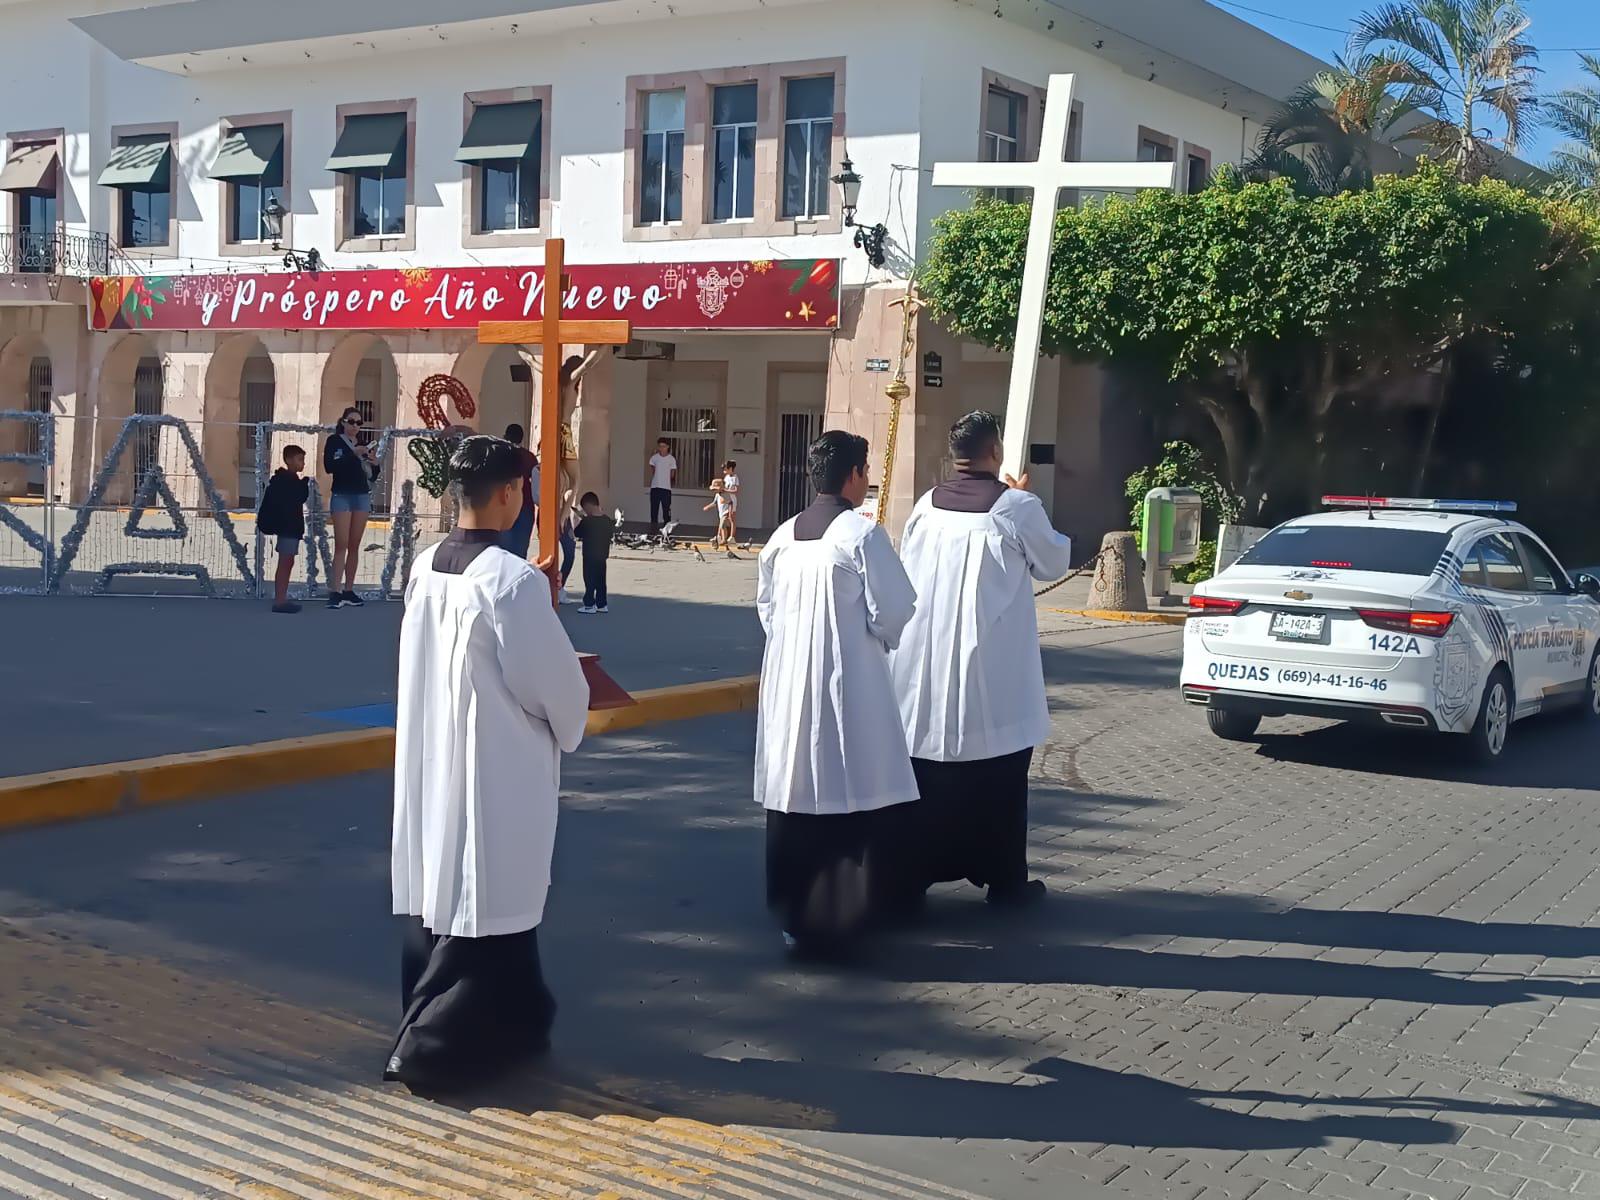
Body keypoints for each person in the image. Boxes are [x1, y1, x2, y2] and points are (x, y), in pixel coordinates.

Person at [387, 435, 589, 1094]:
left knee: (457, 891)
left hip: (434, 753)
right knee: (487, 893)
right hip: (495, 766)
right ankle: (429, 1046)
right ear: (509, 493)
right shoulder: (510, 581)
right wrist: (571, 713)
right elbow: (553, 687)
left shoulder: (426, 566)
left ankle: (519, 1024)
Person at [890, 411, 1073, 909]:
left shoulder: (927, 504)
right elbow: (1053, 562)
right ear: (995, 452)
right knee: (998, 778)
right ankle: (1005, 882)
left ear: (955, 457)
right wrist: (1019, 497)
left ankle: (909, 879)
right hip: (989, 670)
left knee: (925, 775)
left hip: (924, 666)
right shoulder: (1016, 507)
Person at [755, 430, 919, 957]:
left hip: (789, 685)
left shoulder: (781, 537)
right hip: (846, 684)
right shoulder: (862, 535)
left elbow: (767, 611)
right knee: (845, 788)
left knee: (797, 788)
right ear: (854, 475)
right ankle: (843, 919)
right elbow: (894, 611)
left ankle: (795, 918)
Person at [323, 407, 381, 609]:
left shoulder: (363, 443)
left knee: (354, 545)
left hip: (361, 495)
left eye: (359, 423)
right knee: (341, 544)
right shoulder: (334, 441)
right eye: (352, 421)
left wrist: (375, 463)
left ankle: (348, 590)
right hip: (342, 495)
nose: (355, 426)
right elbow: (329, 467)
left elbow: (372, 475)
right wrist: (352, 454)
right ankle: (335, 591)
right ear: (343, 422)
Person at [256, 445, 310, 614]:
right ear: (289, 460)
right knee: (285, 563)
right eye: (299, 459)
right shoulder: (287, 481)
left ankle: (282, 598)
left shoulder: (284, 479)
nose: (303, 463)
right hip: (288, 527)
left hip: (288, 527)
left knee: (287, 562)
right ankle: (280, 601)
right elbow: (298, 498)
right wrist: (304, 484)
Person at [500, 422, 539, 560]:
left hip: (504, 506)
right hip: (526, 507)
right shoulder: (530, 457)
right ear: (521, 438)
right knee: (520, 553)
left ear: (505, 436)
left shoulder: (500, 456)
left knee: (503, 551)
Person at [573, 492, 615, 614]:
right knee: (601, 581)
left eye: (585, 509)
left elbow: (577, 532)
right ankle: (602, 604)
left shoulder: (587, 521)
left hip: (589, 556)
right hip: (602, 556)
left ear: (588, 506)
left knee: (589, 580)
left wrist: (579, 520)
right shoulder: (607, 520)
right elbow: (610, 534)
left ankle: (589, 604)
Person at [646, 439, 677, 534]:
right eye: (660, 446)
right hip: (655, 487)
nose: (661, 448)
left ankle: (667, 532)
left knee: (666, 511)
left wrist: (667, 480)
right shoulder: (654, 458)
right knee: (654, 511)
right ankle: (653, 532)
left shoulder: (671, 459)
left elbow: (672, 474)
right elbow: (653, 470)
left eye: (663, 446)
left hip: (666, 489)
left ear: (667, 447)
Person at [721, 460, 741, 548]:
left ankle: (732, 537)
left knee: (731, 517)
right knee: (725, 517)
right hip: (726, 499)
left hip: (732, 499)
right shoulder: (726, 477)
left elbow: (736, 490)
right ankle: (723, 536)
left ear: (731, 468)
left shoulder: (735, 478)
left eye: (726, 469)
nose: (724, 471)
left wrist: (726, 490)